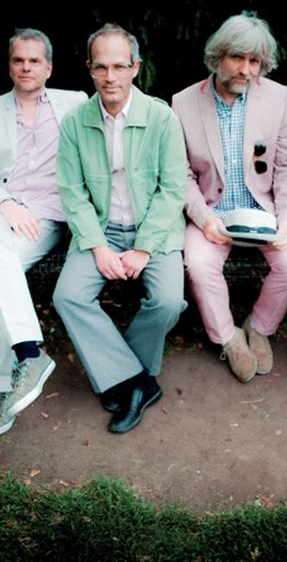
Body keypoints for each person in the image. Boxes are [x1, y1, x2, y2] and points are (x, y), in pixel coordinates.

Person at [53, 24, 188, 434]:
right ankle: (138, 382)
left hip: (155, 232)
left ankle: (122, 375)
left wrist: (144, 248)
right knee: (68, 296)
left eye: (118, 66)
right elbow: (72, 192)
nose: (110, 76)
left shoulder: (162, 118)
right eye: (100, 67)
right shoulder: (75, 122)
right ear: (89, 69)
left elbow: (173, 190)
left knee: (168, 301)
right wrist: (98, 247)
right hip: (101, 230)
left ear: (135, 68)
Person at [171, 13, 287, 383]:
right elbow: (181, 174)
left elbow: (286, 164)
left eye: (255, 61)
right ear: (218, 56)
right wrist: (203, 219)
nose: (246, 70)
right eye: (237, 58)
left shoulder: (277, 97)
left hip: (264, 210)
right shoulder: (183, 102)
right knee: (198, 263)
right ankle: (229, 337)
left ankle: (259, 327)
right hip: (212, 211)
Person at [0, 28, 87, 437]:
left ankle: (2, 386)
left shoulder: (75, 103)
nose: (26, 67)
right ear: (9, 66)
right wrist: (5, 204)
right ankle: (29, 353)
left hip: (49, 214)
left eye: (34, 61)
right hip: (3, 206)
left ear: (49, 67)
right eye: (19, 60)